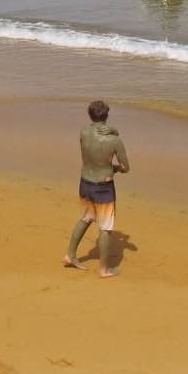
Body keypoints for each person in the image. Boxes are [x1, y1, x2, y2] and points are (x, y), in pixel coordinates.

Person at [63, 100, 130, 278]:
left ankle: (70, 255)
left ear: (90, 115)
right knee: (106, 228)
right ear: (107, 116)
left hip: (85, 182)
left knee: (85, 219)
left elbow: (91, 149)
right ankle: (104, 269)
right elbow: (126, 167)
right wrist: (114, 169)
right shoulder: (115, 140)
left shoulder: (83, 132)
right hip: (103, 187)